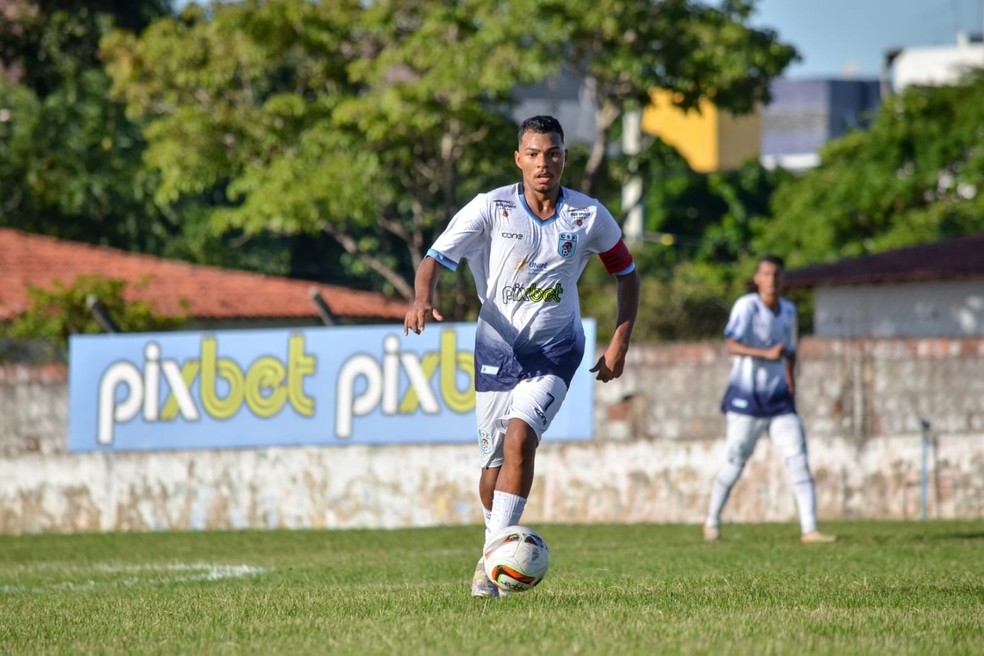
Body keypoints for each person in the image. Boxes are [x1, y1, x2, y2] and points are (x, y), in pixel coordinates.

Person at [404, 115, 640, 597]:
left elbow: (627, 273)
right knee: (491, 469)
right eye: (533, 154)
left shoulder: (588, 216)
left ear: (564, 158)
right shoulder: (490, 208)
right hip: (496, 352)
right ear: (519, 159)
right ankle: (493, 548)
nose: (543, 163)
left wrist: (619, 341)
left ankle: (491, 564)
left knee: (519, 439)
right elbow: (434, 257)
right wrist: (421, 297)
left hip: (557, 353)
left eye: (552, 153)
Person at [703, 255, 835, 544]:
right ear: (757, 278)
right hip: (746, 400)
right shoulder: (746, 306)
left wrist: (791, 380)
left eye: (776, 275)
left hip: (779, 401)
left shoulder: (788, 311)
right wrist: (765, 354)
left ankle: (809, 529)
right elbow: (731, 344)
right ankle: (712, 521)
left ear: (782, 279)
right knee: (735, 461)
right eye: (766, 274)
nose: (772, 280)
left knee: (798, 458)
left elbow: (789, 351)